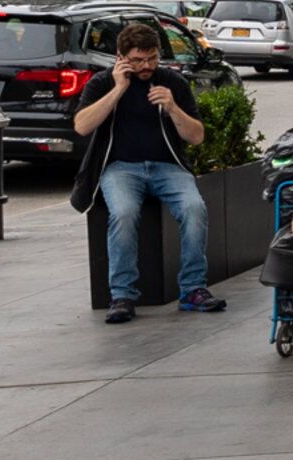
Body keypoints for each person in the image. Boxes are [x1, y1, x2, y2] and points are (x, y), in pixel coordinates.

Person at [73, 24, 221, 321]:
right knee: (124, 213)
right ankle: (122, 295)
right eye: (138, 60)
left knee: (194, 208)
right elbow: (82, 126)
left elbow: (196, 137)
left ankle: (193, 288)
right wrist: (118, 89)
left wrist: (173, 108)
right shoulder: (102, 82)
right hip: (120, 168)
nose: (146, 66)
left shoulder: (172, 82)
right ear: (121, 58)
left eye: (152, 58)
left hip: (167, 166)